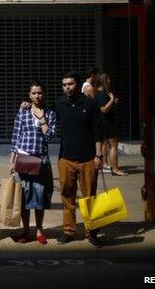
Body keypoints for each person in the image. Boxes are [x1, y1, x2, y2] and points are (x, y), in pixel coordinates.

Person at [53, 71, 104, 247]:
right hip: (66, 158)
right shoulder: (59, 104)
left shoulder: (89, 104)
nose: (68, 87)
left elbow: (98, 130)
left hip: (88, 158)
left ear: (78, 85)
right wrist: (27, 105)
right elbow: (44, 116)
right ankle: (69, 231)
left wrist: (99, 155)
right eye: (65, 84)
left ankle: (92, 233)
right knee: (67, 196)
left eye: (71, 84)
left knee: (89, 197)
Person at [9, 82, 56, 245]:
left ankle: (39, 230)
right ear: (29, 95)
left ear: (44, 94)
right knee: (23, 197)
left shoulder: (50, 113)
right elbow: (16, 135)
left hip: (40, 158)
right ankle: (26, 230)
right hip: (23, 157)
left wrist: (42, 119)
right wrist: (11, 160)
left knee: (40, 196)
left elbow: (49, 137)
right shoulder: (23, 111)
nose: (37, 96)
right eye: (34, 93)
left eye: (40, 93)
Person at [94, 73, 127, 176]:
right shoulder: (100, 94)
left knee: (109, 145)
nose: (109, 81)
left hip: (106, 122)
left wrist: (112, 102)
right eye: (108, 79)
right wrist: (112, 100)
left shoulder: (101, 93)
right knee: (113, 145)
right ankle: (115, 169)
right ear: (104, 80)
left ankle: (112, 167)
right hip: (108, 122)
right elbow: (103, 109)